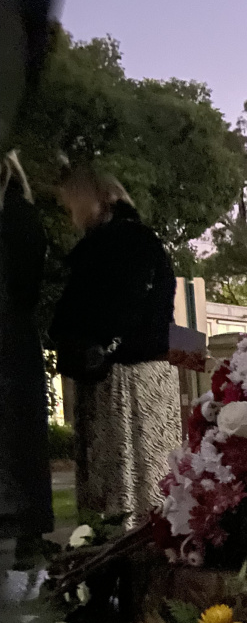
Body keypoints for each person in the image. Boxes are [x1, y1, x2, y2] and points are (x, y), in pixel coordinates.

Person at [50, 166, 181, 525]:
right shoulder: (142, 240)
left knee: (120, 485)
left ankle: (119, 559)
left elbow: (105, 312)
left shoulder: (111, 244)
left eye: (72, 205)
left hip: (121, 378)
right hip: (146, 374)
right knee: (151, 483)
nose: (70, 215)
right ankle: (154, 551)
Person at [0, 153, 53, 557]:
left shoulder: (15, 218)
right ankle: (27, 530)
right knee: (21, 431)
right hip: (15, 335)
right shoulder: (23, 217)